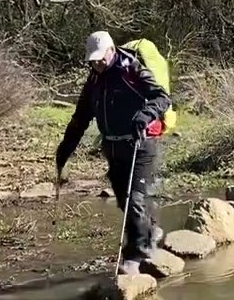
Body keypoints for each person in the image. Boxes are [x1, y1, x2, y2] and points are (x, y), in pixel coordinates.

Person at [55, 30, 170, 275]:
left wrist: (144, 115)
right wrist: (65, 148)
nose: (97, 64)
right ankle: (151, 231)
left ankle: (136, 256)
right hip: (112, 145)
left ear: (112, 50)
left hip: (140, 143)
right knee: (123, 200)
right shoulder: (94, 80)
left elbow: (161, 98)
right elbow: (80, 118)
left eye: (100, 59)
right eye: (92, 61)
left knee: (134, 199)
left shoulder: (131, 69)